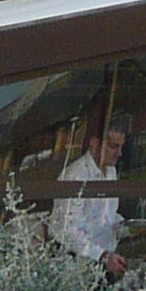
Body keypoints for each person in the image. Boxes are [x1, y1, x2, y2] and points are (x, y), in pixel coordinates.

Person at [54, 103, 134, 270]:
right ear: (95, 143)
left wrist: (129, 227)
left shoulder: (110, 172)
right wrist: (102, 255)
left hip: (104, 260)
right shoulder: (75, 175)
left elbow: (104, 218)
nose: (119, 153)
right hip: (76, 264)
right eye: (113, 146)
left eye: (121, 147)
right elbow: (67, 230)